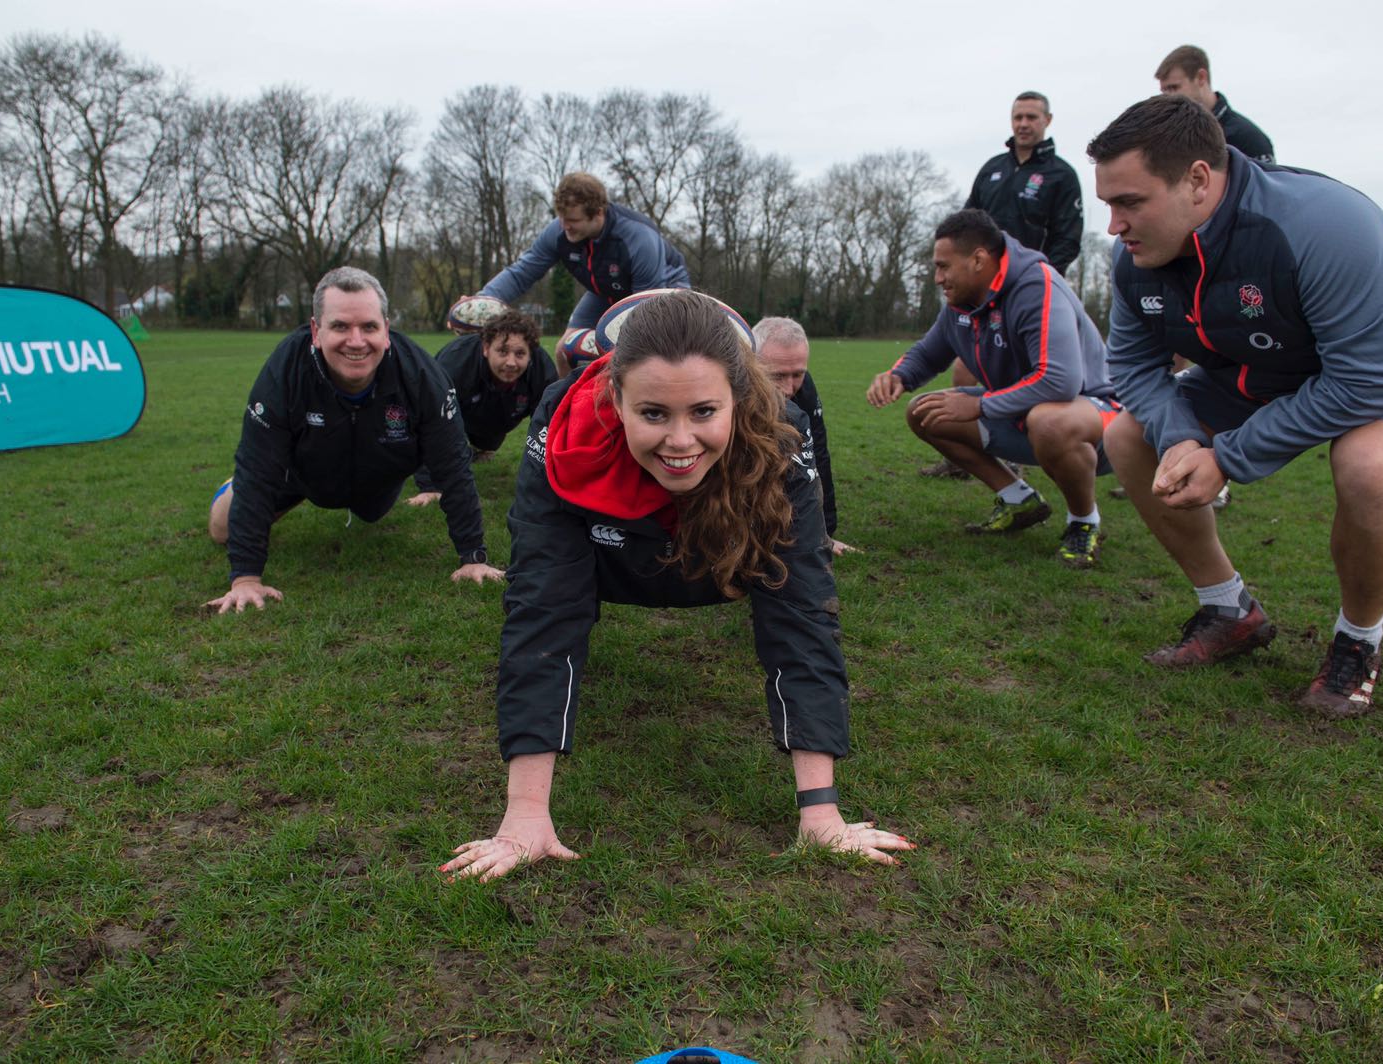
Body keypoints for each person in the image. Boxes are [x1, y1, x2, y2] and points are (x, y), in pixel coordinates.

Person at [443, 291, 912, 881]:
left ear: (738, 399)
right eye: (654, 414)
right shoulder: (564, 428)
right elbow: (543, 605)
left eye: (704, 411)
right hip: (611, 562)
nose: (681, 440)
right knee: (551, 596)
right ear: (616, 398)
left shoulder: (780, 433)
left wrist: (821, 814)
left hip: (716, 567)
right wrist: (524, 815)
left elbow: (802, 613)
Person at [1090, 94, 1383, 716]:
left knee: (1369, 468)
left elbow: (1363, 383)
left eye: (1130, 202)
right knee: (1129, 437)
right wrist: (1183, 438)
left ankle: (1357, 641)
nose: (1114, 225)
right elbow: (1133, 368)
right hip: (1268, 365)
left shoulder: (1324, 222)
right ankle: (1228, 610)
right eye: (1108, 204)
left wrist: (1227, 457)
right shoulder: (1133, 256)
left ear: (1198, 180)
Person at [205, 267, 504, 614]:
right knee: (221, 529)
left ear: (386, 330)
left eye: (369, 327)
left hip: (379, 476)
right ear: (316, 331)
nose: (356, 341)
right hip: (302, 473)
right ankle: (232, 486)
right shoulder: (285, 371)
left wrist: (473, 557)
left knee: (371, 512)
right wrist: (246, 578)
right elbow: (258, 470)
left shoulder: (422, 376)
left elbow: (453, 468)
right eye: (340, 327)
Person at [867, 210, 1118, 568]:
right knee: (924, 412)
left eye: (943, 267)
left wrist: (981, 405)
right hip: (1024, 414)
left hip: (1099, 418)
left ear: (978, 259)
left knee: (1050, 421)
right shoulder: (962, 303)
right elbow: (929, 352)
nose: (938, 278)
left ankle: (1083, 522)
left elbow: (1060, 381)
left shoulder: (1037, 287)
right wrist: (898, 376)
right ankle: (1018, 499)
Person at [924, 92, 1085, 479]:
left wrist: (1039, 283)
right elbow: (965, 223)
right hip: (982, 295)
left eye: (1031, 117)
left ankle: (1018, 458)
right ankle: (961, 459)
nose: (1023, 124)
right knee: (964, 371)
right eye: (1018, 117)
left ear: (1047, 120)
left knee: (1026, 379)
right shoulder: (993, 169)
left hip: (1027, 298)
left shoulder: (1061, 175)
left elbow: (1068, 238)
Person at [469, 172, 691, 377]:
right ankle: (568, 406)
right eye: (562, 218)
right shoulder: (559, 231)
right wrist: (481, 301)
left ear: (598, 213)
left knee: (640, 357)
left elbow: (646, 308)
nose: (565, 226)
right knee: (564, 350)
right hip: (606, 291)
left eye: (573, 221)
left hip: (661, 293)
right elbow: (522, 272)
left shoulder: (639, 237)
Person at [406, 309, 556, 507]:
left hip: (503, 415)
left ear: (531, 354)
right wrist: (429, 486)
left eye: (520, 354)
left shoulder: (543, 373)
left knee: (488, 442)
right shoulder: (455, 365)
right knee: (446, 437)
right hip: (461, 408)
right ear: (486, 348)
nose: (511, 362)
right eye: (502, 351)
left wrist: (547, 483)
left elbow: (550, 429)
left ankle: (480, 448)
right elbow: (430, 422)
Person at [752, 316, 858, 556]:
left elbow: (817, 456)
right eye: (777, 376)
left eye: (798, 374)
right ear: (752, 362)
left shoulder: (805, 390)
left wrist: (825, 534)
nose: (789, 388)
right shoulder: (729, 388)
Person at [1156, 45, 1275, 163]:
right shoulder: (1167, 136)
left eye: (1173, 88)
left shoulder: (1248, 138)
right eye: (1164, 90)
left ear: (1201, 77)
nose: (1167, 97)